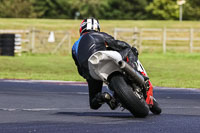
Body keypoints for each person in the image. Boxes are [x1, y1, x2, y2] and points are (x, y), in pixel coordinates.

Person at [72, 18, 160, 113]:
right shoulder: (100, 35)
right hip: (104, 58)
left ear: (81, 29)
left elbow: (80, 70)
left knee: (93, 103)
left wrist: (89, 77)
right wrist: (129, 48)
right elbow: (118, 44)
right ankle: (138, 73)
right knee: (130, 50)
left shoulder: (74, 46)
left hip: (91, 70)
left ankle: (104, 97)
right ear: (97, 28)